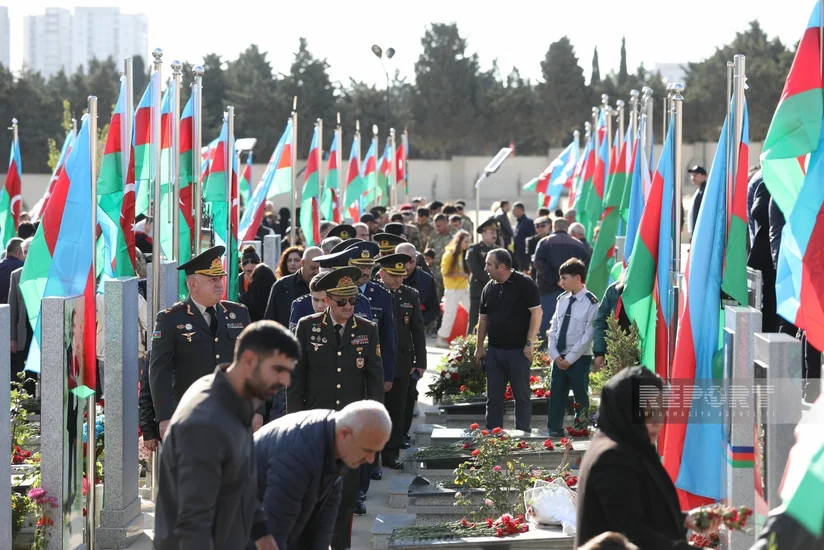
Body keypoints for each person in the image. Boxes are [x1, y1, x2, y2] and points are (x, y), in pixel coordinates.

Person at [153, 320, 300, 550]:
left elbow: (240, 479)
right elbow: (193, 525)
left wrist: (262, 534)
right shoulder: (205, 425)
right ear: (249, 360)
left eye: (289, 372)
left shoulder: (233, 395)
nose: (285, 381)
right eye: (278, 369)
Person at [287, 267, 384, 550]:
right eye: (342, 301)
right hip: (316, 423)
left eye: (352, 300)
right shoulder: (307, 326)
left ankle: (340, 545)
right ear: (328, 300)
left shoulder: (367, 329)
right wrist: (294, 420)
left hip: (352, 428)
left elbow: (374, 381)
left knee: (346, 493)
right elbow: (296, 378)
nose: (348, 306)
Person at [575, 367, 719, 549]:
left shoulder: (627, 444)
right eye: (648, 414)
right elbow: (632, 534)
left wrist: (684, 519)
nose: (657, 422)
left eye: (661, 411)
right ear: (626, 412)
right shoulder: (612, 459)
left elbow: (638, 506)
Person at [253, 401, 391, 550]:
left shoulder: (334, 441)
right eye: (368, 450)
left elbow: (324, 521)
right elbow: (274, 535)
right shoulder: (298, 455)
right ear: (345, 434)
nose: (370, 460)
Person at [149, 245, 255, 440]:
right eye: (212, 280)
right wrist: (164, 417)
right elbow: (160, 371)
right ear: (193, 285)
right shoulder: (171, 319)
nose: (219, 284)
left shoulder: (239, 313)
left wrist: (257, 410)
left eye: (220, 279)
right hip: (190, 415)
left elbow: (252, 363)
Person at [475, 249, 542, 431]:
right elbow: (483, 319)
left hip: (518, 352)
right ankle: (493, 436)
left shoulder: (525, 284)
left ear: (502, 266)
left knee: (521, 398)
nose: (485, 268)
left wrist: (530, 343)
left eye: (489, 264)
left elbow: (537, 313)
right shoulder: (489, 288)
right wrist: (479, 347)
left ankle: (522, 436)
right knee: (493, 399)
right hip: (495, 352)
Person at [377, 253, 426, 469]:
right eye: (393, 275)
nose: (398, 280)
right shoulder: (372, 293)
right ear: (381, 273)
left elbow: (417, 330)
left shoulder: (410, 295)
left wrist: (420, 361)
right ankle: (372, 458)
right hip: (376, 360)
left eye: (401, 275)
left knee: (397, 409)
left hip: (402, 360)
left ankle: (391, 454)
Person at [547, 258, 599, 435]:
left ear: (577, 277)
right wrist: (555, 355)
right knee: (557, 393)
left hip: (579, 358)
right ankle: (554, 428)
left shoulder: (591, 302)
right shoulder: (561, 300)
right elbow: (553, 328)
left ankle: (580, 426)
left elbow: (588, 335)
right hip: (559, 356)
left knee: (580, 394)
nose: (561, 282)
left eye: (564, 278)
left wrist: (569, 359)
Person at [533, 218, 591, 346]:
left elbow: (538, 264)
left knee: (542, 324)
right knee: (571, 325)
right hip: (572, 292)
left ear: (553, 227)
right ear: (567, 228)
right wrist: (569, 280)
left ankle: (539, 351)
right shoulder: (578, 245)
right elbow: (585, 266)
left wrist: (555, 280)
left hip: (547, 290)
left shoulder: (544, 242)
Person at [263, 246, 322, 328]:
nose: (317, 272)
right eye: (313, 268)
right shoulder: (282, 286)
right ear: (302, 263)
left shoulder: (327, 286)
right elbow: (270, 319)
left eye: (320, 268)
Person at [436, 230, 471, 347]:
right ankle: (441, 337)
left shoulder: (464, 253)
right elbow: (445, 273)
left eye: (468, 242)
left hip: (464, 288)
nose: (467, 244)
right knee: (450, 314)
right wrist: (460, 274)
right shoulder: (449, 254)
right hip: (452, 289)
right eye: (466, 242)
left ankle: (472, 337)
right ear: (459, 241)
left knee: (474, 312)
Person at [466, 218, 498, 333]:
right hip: (478, 289)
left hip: (495, 291)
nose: (494, 235)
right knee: (475, 320)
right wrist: (493, 279)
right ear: (483, 233)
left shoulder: (498, 250)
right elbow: (475, 270)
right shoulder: (474, 249)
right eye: (491, 232)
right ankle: (471, 342)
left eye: (495, 232)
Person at [512, 201, 535, 271]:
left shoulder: (528, 222)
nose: (513, 212)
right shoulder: (518, 222)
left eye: (514, 210)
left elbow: (532, 238)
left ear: (520, 210)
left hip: (525, 255)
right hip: (518, 253)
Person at [687, 165, 707, 234]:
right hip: (694, 230)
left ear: (703, 176)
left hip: (700, 231)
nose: (693, 177)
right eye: (692, 175)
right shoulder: (697, 190)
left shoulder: (705, 191)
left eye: (695, 175)